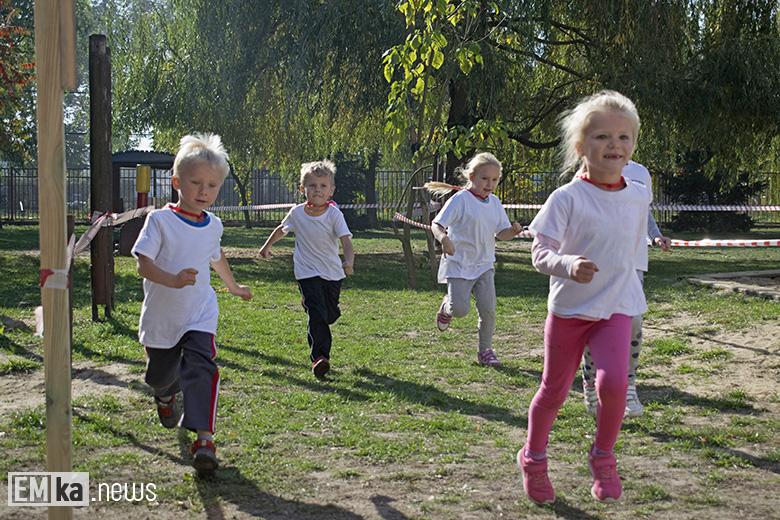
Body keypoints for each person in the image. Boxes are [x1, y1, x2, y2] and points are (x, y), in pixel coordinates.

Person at [517, 90, 651, 504]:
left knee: (615, 384)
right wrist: (568, 264)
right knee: (554, 390)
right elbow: (539, 252)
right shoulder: (566, 198)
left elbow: (631, 247)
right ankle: (534, 458)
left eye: (623, 137)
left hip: (617, 307)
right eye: (602, 136)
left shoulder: (639, 194)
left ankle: (603, 456)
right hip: (571, 309)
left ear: (633, 145)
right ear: (580, 146)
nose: (614, 145)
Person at [132, 133, 252, 475]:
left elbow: (215, 256)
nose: (203, 191)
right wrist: (171, 280)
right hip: (162, 317)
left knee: (202, 367)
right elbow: (142, 264)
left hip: (200, 312)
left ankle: (204, 440)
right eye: (196, 182)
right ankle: (165, 396)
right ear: (176, 182)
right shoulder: (159, 221)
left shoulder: (214, 225)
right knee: (159, 376)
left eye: (212, 185)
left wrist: (232, 286)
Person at [581, 161, 672, 418]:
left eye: (625, 140)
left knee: (634, 321)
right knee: (596, 321)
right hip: (597, 260)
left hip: (633, 261)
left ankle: (628, 386)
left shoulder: (641, 172)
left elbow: (643, 211)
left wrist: (655, 235)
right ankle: (590, 382)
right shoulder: (588, 166)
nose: (617, 144)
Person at [425, 152, 523, 367]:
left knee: (488, 310)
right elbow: (436, 224)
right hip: (459, 264)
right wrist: (444, 239)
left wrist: (513, 231)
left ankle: (485, 351)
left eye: (494, 180)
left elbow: (502, 233)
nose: (490, 184)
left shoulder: (494, 202)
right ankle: (447, 307)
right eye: (485, 178)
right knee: (460, 310)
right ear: (471, 177)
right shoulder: (460, 200)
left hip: (485, 265)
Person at [259, 160, 354, 379]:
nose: (317, 190)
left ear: (331, 190)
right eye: (312, 185)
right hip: (306, 272)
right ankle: (320, 358)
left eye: (323, 186)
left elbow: (346, 241)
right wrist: (267, 246)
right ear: (303, 189)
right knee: (316, 314)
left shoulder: (334, 215)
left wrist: (348, 262)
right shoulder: (297, 213)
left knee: (329, 313)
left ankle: (315, 306)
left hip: (332, 272)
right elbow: (282, 229)